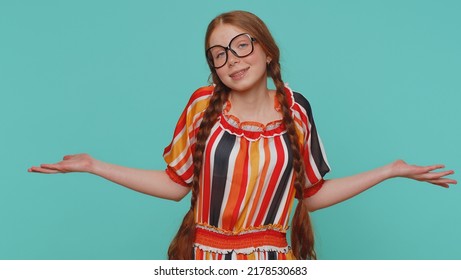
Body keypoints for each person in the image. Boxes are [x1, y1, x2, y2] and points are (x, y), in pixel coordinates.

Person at [28, 10, 457, 260]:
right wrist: (93, 165)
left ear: (266, 50)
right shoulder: (202, 105)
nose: (231, 60)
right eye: (218, 54)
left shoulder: (296, 108)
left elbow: (311, 194)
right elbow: (175, 185)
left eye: (241, 46)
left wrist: (390, 171)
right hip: (203, 258)